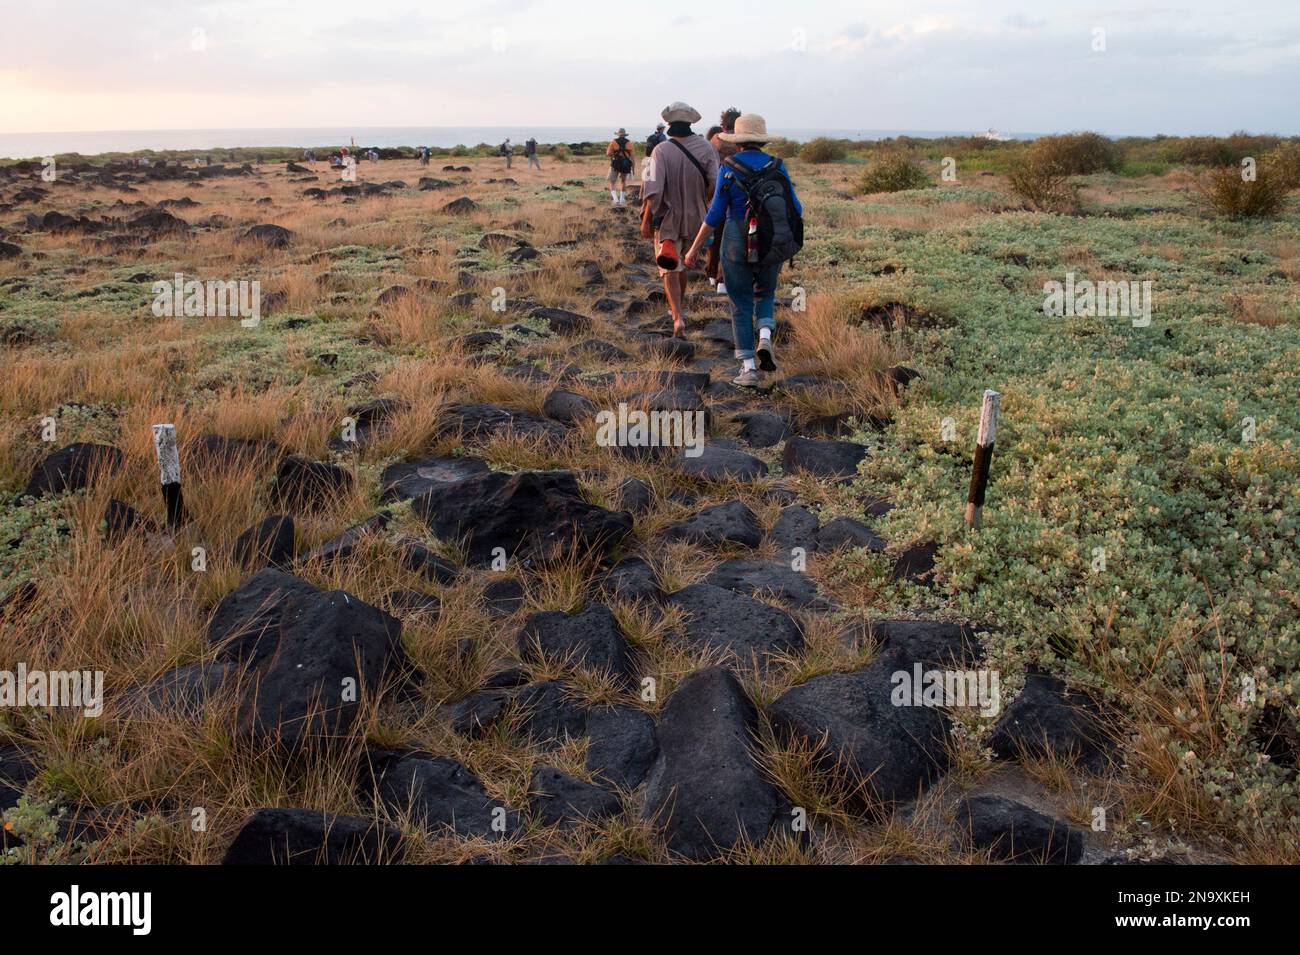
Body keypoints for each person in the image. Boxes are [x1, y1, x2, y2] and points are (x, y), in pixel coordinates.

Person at [684, 114, 803, 388]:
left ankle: (748, 368)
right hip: (771, 240)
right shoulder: (777, 165)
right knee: (766, 291)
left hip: (737, 238)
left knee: (740, 301)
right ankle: (764, 335)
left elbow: (714, 215)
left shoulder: (728, 168)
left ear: (737, 142)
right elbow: (796, 208)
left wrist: (693, 250)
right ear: (760, 140)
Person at [640, 102, 718, 338]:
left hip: (668, 221)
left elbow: (653, 189)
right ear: (691, 122)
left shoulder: (661, 151)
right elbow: (715, 184)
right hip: (697, 218)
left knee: (669, 268)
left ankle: (677, 317)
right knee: (683, 262)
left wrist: (646, 219)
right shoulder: (706, 147)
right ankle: (678, 307)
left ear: (668, 123)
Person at [606, 128, 634, 204]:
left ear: (618, 134)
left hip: (615, 164)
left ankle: (615, 200)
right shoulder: (629, 143)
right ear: (624, 135)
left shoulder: (613, 142)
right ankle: (622, 199)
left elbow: (608, 153)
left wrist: (615, 154)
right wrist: (633, 169)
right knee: (623, 181)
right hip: (625, 164)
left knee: (612, 182)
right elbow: (632, 157)